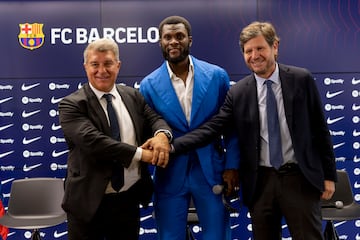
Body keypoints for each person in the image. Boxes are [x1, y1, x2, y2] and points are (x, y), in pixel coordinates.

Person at [170, 21, 337, 240]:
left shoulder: (301, 79)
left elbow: (320, 130)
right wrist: (172, 145)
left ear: (275, 47)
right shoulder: (238, 92)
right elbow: (213, 128)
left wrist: (329, 176)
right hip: (261, 183)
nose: (254, 55)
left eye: (260, 48)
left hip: (300, 179)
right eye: (248, 51)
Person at [58, 37, 172, 240]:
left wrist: (162, 135)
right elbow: (95, 142)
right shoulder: (71, 104)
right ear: (86, 67)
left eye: (108, 63)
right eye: (95, 64)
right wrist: (142, 155)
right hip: (88, 202)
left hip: (127, 201)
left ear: (118, 66)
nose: (102, 70)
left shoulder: (132, 96)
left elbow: (154, 119)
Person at [139, 16, 240, 240]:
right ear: (160, 42)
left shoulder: (216, 76)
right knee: (169, 236)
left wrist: (232, 165)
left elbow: (231, 126)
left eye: (179, 36)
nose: (173, 41)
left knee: (218, 236)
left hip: (211, 170)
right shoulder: (148, 85)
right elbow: (148, 133)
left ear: (190, 40)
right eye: (168, 37)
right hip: (169, 172)